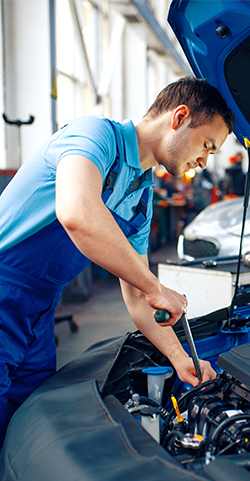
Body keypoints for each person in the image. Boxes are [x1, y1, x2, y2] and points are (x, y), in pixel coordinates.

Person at [0, 77, 234, 448]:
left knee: (26, 427)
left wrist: (181, 358)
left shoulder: (140, 197)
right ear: (180, 117)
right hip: (4, 288)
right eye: (207, 144)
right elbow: (77, 212)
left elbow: (138, 296)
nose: (205, 161)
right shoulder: (94, 136)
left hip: (39, 312)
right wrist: (157, 287)